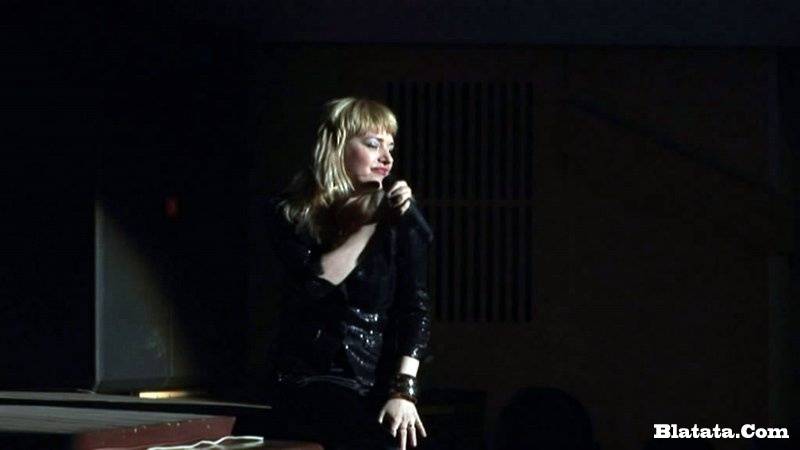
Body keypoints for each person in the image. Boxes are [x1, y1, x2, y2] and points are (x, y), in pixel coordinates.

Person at [262, 97, 433, 450]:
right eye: (373, 144)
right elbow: (316, 284)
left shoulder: (402, 216)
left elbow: (415, 309)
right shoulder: (289, 213)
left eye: (390, 147)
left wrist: (404, 390)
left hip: (374, 380)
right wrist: (371, 223)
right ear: (337, 147)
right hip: (306, 378)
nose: (386, 158)